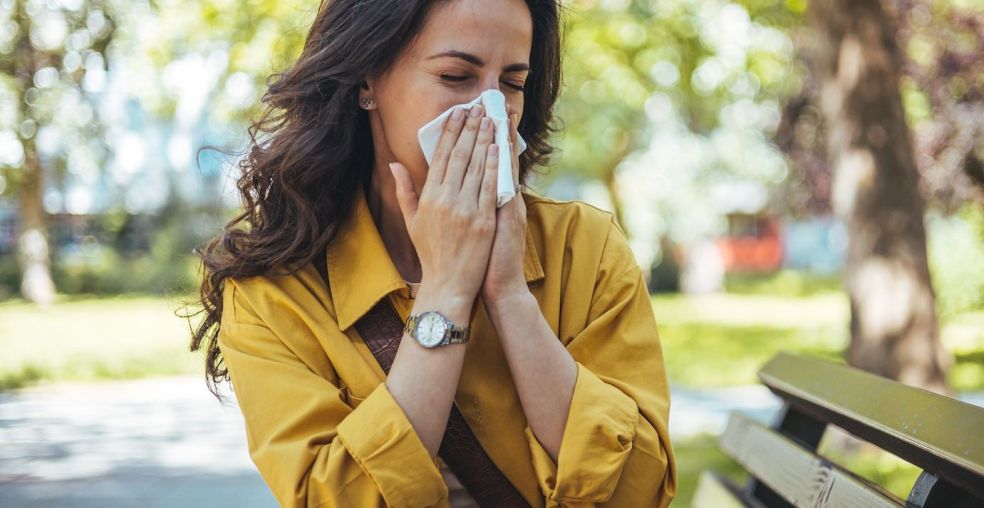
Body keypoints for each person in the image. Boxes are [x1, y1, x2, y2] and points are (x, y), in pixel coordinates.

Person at [189, 0, 676, 506]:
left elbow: (639, 490)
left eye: (512, 84)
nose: (491, 112)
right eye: (456, 76)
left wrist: (509, 297)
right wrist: (446, 290)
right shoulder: (274, 292)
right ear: (366, 82)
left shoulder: (586, 248)